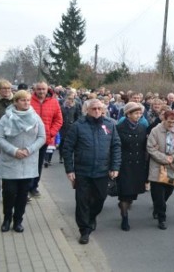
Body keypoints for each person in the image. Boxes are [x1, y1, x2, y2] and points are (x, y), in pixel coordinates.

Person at [62, 99, 121, 245]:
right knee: (82, 201)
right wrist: (69, 169)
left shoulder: (109, 125)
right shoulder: (78, 126)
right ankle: (84, 230)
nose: (96, 111)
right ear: (86, 110)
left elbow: (116, 146)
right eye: (93, 108)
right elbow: (67, 148)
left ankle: (92, 216)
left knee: (100, 198)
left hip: (102, 171)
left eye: (99, 108)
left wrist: (115, 167)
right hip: (83, 171)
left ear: (103, 110)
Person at [0, 90, 46, 232]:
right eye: (23, 100)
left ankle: (18, 221)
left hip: (27, 162)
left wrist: (29, 150)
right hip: (10, 162)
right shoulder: (6, 118)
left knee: (23, 195)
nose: (26, 103)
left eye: (28, 100)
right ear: (16, 102)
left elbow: (42, 137)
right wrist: (14, 151)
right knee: (9, 193)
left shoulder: (35, 118)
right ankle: (6, 219)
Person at [147, 109, 174, 229]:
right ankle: (161, 218)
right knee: (158, 193)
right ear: (164, 119)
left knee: (168, 191)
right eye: (169, 122)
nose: (171, 125)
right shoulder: (155, 131)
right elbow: (151, 148)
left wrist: (173, 158)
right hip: (157, 166)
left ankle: (158, 207)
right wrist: (165, 158)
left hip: (171, 167)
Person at [115, 102, 149, 231]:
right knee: (125, 193)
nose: (139, 115)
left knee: (133, 193)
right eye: (136, 113)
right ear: (128, 114)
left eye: (140, 113)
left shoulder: (142, 128)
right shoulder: (119, 127)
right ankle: (124, 218)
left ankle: (125, 205)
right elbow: (116, 146)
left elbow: (144, 146)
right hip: (124, 164)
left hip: (138, 164)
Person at [29, 82, 63, 197]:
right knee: (28, 163)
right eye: (39, 89)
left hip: (44, 139)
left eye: (43, 89)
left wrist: (51, 133)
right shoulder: (29, 101)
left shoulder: (54, 102)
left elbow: (58, 120)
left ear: (47, 89)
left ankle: (34, 187)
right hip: (29, 139)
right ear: (35, 89)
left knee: (38, 164)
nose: (41, 91)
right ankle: (26, 186)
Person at [58, 91, 82, 165]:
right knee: (62, 143)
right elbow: (58, 116)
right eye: (68, 98)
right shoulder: (62, 107)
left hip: (72, 127)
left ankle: (70, 156)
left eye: (71, 99)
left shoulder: (76, 106)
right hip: (62, 127)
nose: (70, 100)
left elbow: (78, 116)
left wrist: (76, 124)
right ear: (66, 98)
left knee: (71, 142)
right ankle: (61, 156)